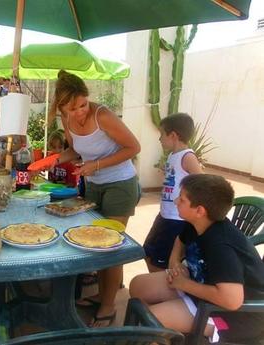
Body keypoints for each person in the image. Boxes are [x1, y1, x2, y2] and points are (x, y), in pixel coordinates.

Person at [49, 70, 141, 327]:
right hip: (93, 185)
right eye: (72, 108)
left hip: (120, 184)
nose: (79, 112)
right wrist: (52, 159)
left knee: (110, 245)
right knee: (93, 243)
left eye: (83, 104)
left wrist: (97, 165)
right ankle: (103, 293)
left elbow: (134, 147)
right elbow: (75, 150)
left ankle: (109, 306)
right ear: (62, 107)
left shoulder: (103, 116)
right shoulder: (67, 119)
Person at [129, 174, 264, 343]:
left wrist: (185, 284)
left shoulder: (221, 247)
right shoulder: (198, 223)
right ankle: (167, 334)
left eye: (182, 199)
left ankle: (160, 332)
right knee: (137, 286)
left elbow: (232, 301)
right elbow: (180, 240)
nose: (176, 201)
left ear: (200, 210)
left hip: (232, 316)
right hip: (200, 287)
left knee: (151, 320)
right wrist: (175, 263)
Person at [143, 113, 203, 272]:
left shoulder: (188, 156)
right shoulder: (172, 155)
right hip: (165, 214)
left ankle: (160, 290)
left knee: (160, 260)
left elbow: (202, 182)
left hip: (176, 220)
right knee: (148, 251)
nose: (160, 139)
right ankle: (157, 287)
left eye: (162, 134)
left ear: (174, 135)